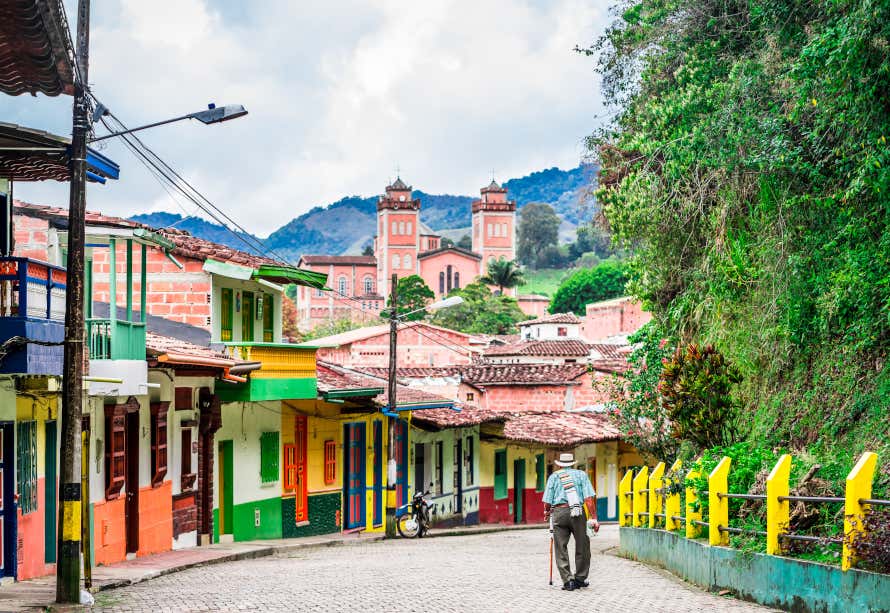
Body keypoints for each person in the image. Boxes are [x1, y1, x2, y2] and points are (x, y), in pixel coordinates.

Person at [542, 452, 599, 591]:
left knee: (560, 547)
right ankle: (580, 578)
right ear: (573, 463)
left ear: (559, 464)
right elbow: (588, 499)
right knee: (583, 545)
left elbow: (547, 501)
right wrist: (594, 517)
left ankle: (567, 581)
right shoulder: (581, 475)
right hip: (577, 512)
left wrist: (547, 512)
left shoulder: (554, 477)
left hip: (559, 513)